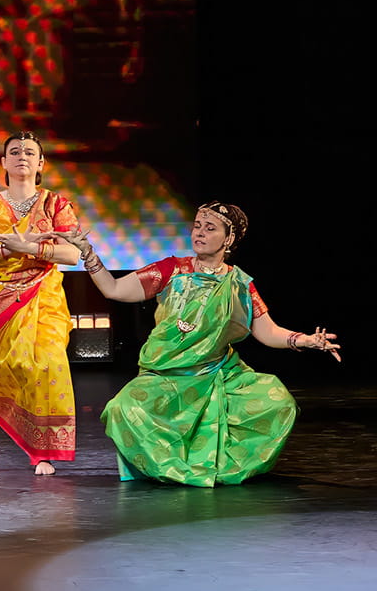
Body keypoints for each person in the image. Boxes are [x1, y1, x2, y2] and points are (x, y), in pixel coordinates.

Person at [82, 202, 341, 486]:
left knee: (279, 402)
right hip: (167, 375)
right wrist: (87, 253)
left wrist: (305, 340)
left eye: (210, 228)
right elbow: (114, 289)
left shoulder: (239, 284)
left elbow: (267, 331)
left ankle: (223, 470)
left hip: (218, 373)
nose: (200, 233)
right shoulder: (172, 270)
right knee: (122, 408)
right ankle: (173, 470)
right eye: (197, 226)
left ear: (229, 239)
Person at [0, 131, 83, 474]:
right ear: (4, 162)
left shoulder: (56, 204)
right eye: (14, 152)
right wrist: (7, 249)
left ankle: (44, 449)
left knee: (47, 363)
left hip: (42, 294)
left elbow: (72, 254)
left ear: (41, 163)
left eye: (30, 152)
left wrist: (30, 248)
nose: (22, 157)